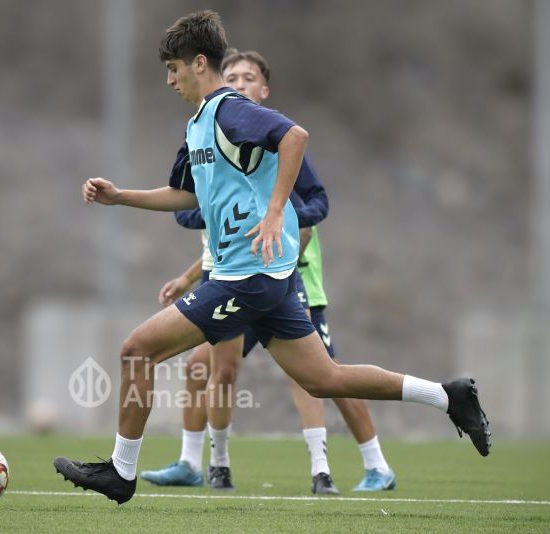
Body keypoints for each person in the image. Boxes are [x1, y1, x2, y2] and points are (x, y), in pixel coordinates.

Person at [53, 10, 490, 505]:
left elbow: (294, 137)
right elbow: (186, 195)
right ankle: (447, 395)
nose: (169, 78)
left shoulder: (228, 109)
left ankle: (121, 473)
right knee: (324, 379)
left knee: (137, 350)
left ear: (199, 63)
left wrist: (277, 209)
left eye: (173, 67)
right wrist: (120, 197)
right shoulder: (199, 126)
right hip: (265, 278)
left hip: (246, 277)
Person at [139, 49, 396, 495]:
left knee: (323, 377)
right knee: (207, 367)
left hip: (291, 282)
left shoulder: (277, 143)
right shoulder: (217, 138)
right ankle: (202, 462)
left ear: (264, 90)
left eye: (248, 78)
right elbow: (191, 205)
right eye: (232, 76)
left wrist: (285, 215)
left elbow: (317, 201)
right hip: (240, 276)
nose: (238, 84)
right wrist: (193, 264)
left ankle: (350, 467)